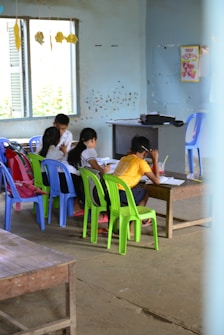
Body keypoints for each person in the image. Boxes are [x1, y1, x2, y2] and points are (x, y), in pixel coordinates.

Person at [113, 135, 160, 235]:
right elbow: (157, 181)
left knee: (138, 190)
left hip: (112, 193)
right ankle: (133, 226)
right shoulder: (140, 162)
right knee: (145, 192)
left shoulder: (124, 158)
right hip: (122, 194)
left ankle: (135, 218)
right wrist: (155, 160)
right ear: (145, 152)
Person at [67, 127, 110, 221]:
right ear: (93, 139)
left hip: (71, 179)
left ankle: (83, 209)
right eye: (95, 140)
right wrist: (105, 170)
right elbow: (96, 168)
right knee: (103, 183)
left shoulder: (75, 148)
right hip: (81, 184)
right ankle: (100, 214)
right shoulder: (89, 150)